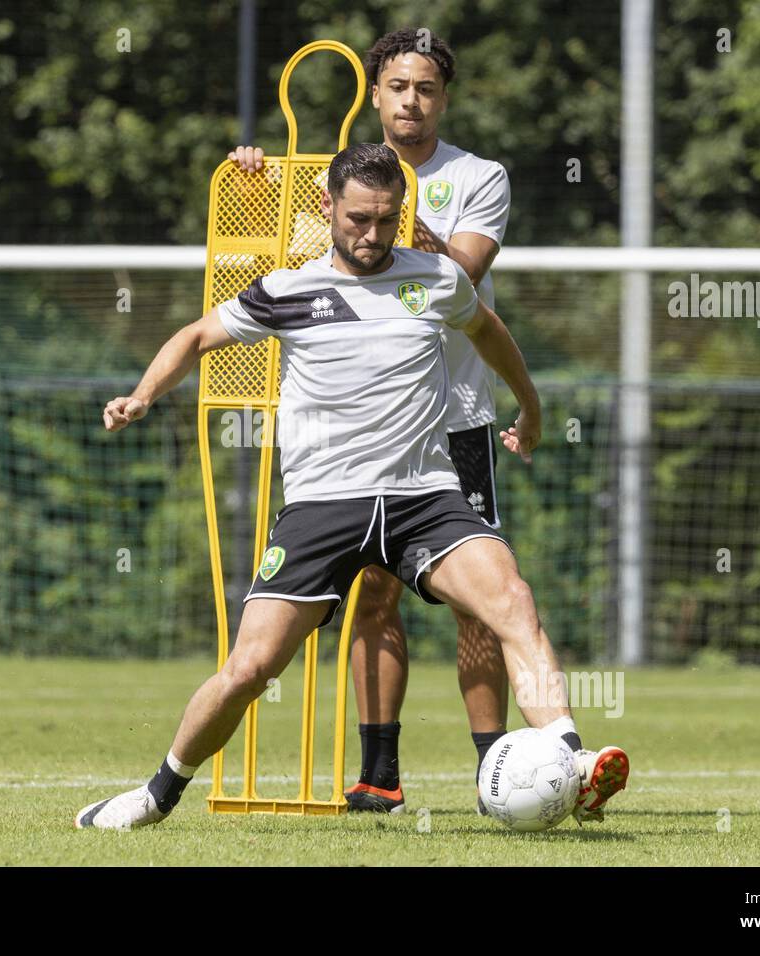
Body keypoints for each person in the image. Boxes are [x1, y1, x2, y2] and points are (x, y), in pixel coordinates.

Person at [77, 144, 628, 830]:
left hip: (424, 498)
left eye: (386, 220)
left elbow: (489, 332)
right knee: (249, 669)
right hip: (321, 508)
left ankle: (571, 763)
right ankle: (155, 794)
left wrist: (532, 406)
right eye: (357, 220)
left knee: (513, 600)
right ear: (327, 207)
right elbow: (194, 336)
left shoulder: (437, 279)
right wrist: (141, 396)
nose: (371, 235)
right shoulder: (287, 290)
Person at [228, 28, 522, 815]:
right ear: (375, 92)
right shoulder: (343, 179)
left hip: (453, 418)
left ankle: (498, 770)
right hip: (359, 432)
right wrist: (262, 183)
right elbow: (282, 263)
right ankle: (379, 772)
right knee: (373, 594)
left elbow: (456, 275)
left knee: (480, 603)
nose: (410, 102)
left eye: (425, 88)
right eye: (396, 87)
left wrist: (386, 210)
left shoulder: (477, 176)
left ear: (443, 97)